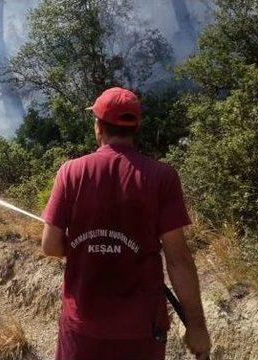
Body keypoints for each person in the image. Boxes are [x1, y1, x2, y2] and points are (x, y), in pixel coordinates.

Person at [41, 87, 211, 360]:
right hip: (141, 331)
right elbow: (178, 259)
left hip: (83, 328)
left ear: (98, 126)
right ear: (135, 126)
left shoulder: (70, 172)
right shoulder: (162, 177)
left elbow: (50, 245)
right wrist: (197, 326)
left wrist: (87, 245)